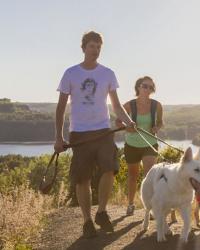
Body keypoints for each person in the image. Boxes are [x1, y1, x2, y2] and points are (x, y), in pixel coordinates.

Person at [54, 31, 135, 238]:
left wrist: (128, 121)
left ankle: (101, 212)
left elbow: (116, 105)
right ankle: (87, 221)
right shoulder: (70, 73)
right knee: (83, 179)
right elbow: (61, 108)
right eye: (92, 46)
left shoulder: (107, 73)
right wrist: (58, 136)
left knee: (110, 169)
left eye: (99, 47)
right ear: (83, 48)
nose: (96, 50)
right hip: (79, 133)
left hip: (103, 130)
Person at [116, 76, 163, 216]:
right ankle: (131, 204)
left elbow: (161, 122)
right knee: (133, 175)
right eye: (145, 86)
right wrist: (126, 128)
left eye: (150, 87)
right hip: (132, 144)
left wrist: (156, 128)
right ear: (138, 87)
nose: (147, 89)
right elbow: (118, 122)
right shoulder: (129, 105)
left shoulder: (157, 105)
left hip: (150, 143)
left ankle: (151, 208)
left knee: (149, 175)